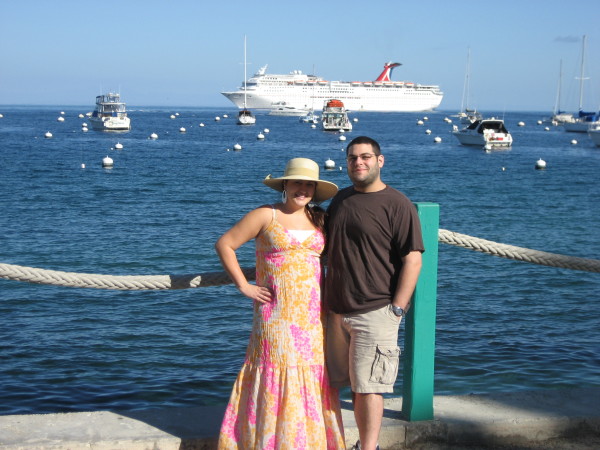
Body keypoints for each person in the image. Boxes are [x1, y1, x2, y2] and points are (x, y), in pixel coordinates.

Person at [215, 158, 346, 449]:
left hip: (313, 317)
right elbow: (225, 244)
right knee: (275, 369)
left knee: (311, 374)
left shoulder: (319, 219)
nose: (303, 189)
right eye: (297, 182)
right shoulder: (266, 215)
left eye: (309, 184)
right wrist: (244, 285)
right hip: (275, 315)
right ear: (285, 184)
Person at [324, 136, 424, 450]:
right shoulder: (341, 199)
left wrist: (397, 308)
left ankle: (369, 447)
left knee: (369, 387)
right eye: (352, 157)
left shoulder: (397, 204)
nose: (359, 162)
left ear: (380, 161)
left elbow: (413, 259)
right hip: (336, 310)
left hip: (375, 310)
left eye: (366, 157)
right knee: (347, 384)